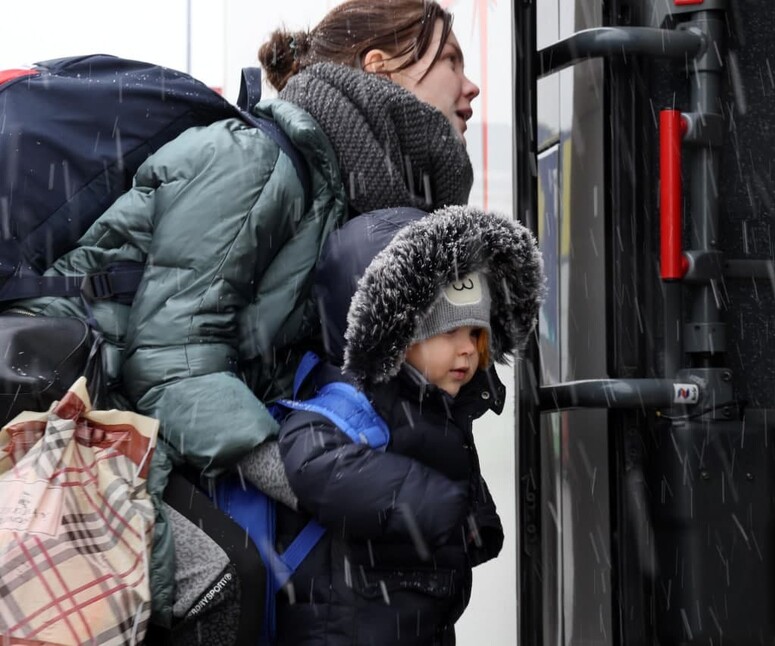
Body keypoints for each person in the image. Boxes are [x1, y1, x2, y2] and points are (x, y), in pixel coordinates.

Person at [9, 0, 481, 642]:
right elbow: (172, 365)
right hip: (88, 409)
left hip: (148, 418)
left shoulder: (342, 192)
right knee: (226, 581)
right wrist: (308, 479)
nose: (471, 82)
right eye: (450, 58)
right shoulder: (254, 164)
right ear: (381, 66)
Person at [275, 205, 544, 645]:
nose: (467, 352)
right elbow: (312, 460)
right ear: (393, 334)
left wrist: (472, 524)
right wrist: (427, 501)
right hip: (346, 626)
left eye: (475, 334)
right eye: (448, 333)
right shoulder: (349, 405)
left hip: (414, 620)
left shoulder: (435, 407)